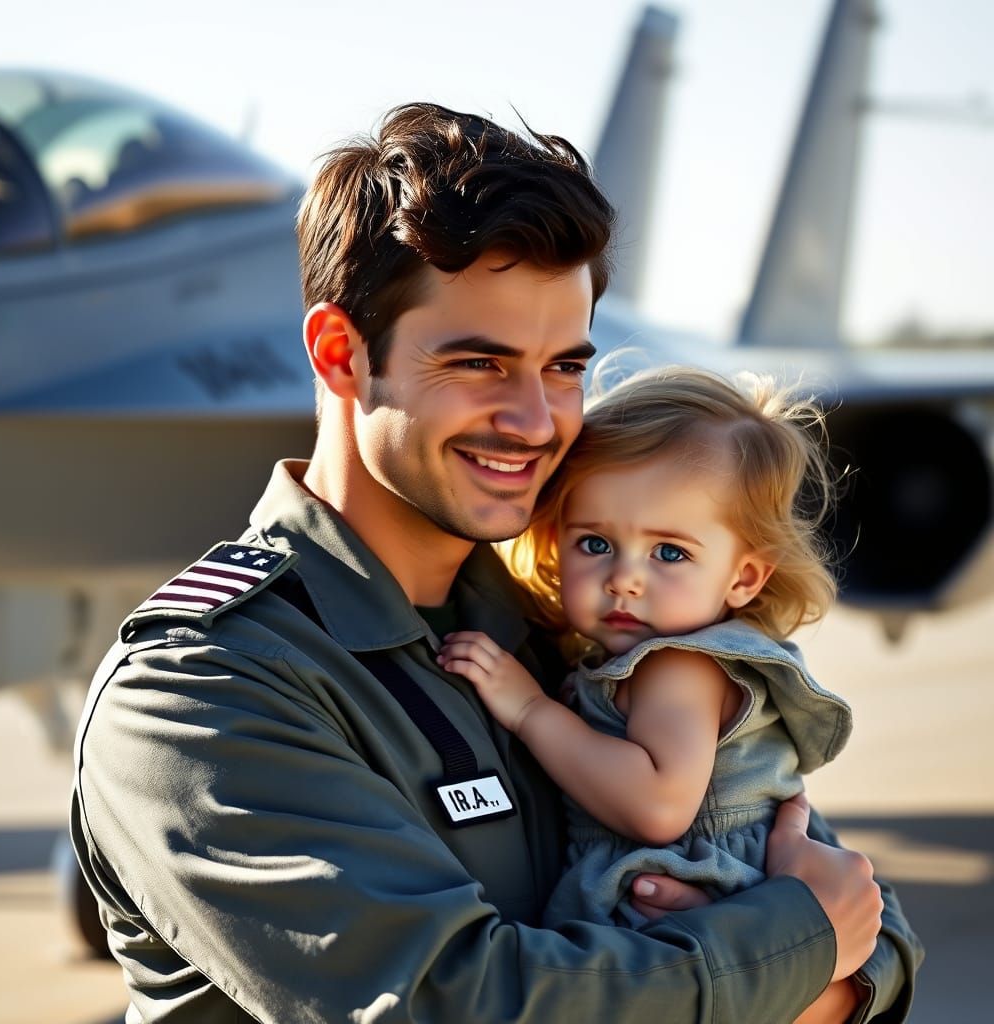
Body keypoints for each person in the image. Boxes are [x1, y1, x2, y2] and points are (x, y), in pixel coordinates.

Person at [70, 103, 921, 1023]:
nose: (537, 420)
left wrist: (819, 968)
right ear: (340, 354)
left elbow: (859, 914)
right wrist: (785, 954)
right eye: (481, 363)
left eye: (564, 367)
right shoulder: (204, 691)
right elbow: (462, 1005)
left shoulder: (572, 624)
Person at [438, 367, 859, 941]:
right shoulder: (641, 655)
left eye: (668, 552)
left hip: (673, 900)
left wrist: (531, 711)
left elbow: (658, 807)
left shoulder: (678, 666)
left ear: (744, 577)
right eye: (595, 544)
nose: (624, 580)